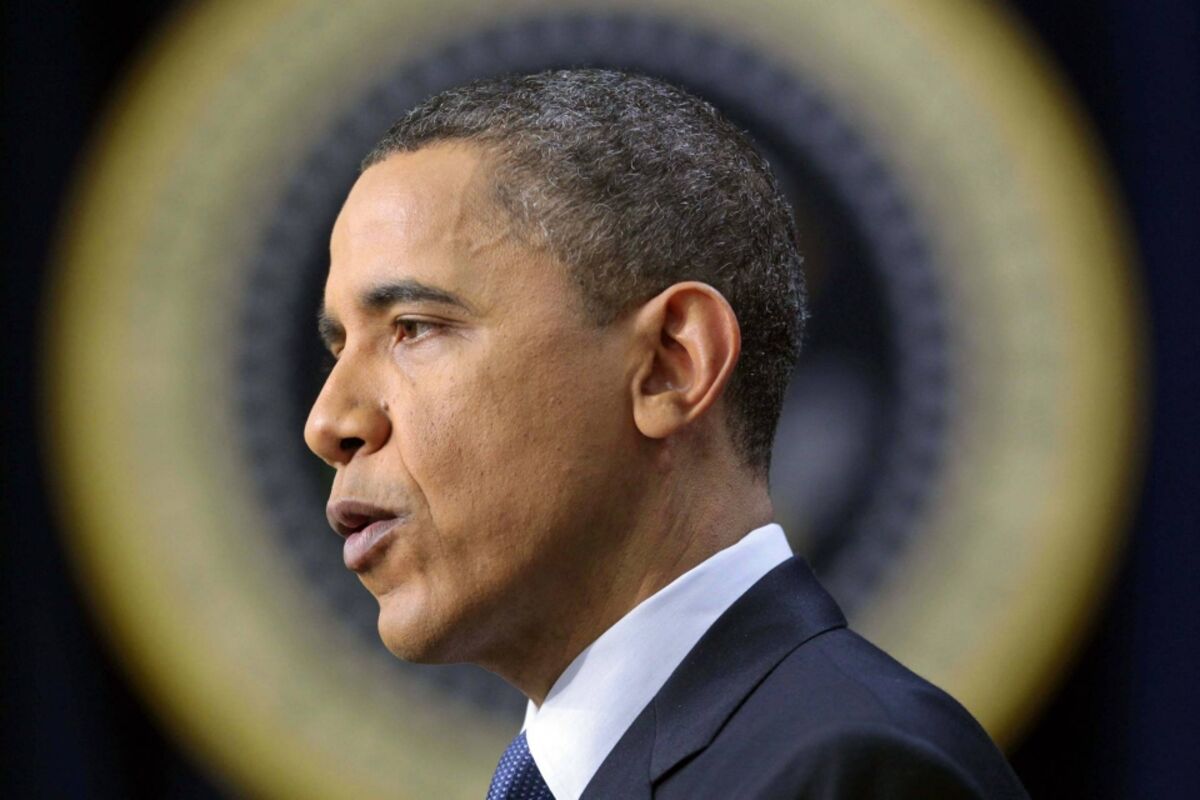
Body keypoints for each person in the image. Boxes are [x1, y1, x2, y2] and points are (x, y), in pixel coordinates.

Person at [303, 68, 1028, 799]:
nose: (329, 423)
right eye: (339, 349)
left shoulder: (851, 774)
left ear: (669, 366)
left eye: (414, 328)